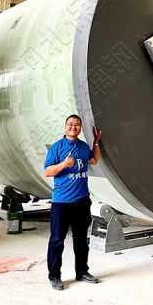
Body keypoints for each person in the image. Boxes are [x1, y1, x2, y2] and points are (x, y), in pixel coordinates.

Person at [43, 114, 102, 291]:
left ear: (80, 128)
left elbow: (93, 160)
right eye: (70, 124)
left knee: (81, 240)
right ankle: (54, 276)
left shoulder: (83, 146)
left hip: (82, 202)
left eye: (77, 125)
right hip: (62, 203)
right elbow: (48, 171)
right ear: (65, 126)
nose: (73, 127)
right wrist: (64, 164)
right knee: (57, 240)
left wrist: (96, 143)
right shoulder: (57, 147)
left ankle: (82, 272)